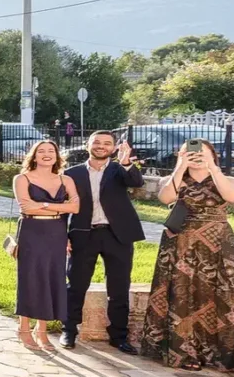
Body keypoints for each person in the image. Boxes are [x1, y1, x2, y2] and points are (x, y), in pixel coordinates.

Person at [141, 141, 234, 375]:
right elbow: (165, 198)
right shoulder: (176, 179)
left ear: (213, 155)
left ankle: (228, 353)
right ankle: (185, 351)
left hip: (219, 243)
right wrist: (180, 167)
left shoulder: (228, 179)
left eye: (203, 153)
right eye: (190, 152)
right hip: (182, 242)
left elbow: (231, 197)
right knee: (184, 294)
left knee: (230, 293)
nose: (197, 156)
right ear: (181, 155)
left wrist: (212, 168)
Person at [62, 130, 144, 352]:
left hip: (117, 235)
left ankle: (119, 335)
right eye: (96, 142)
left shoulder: (120, 170)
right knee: (76, 284)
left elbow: (136, 182)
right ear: (87, 145)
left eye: (107, 143)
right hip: (83, 233)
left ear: (114, 148)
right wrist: (62, 236)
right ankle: (69, 330)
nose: (101, 146)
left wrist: (126, 162)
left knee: (119, 286)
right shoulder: (71, 173)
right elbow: (63, 208)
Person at [12, 141, 78, 352]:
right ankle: (23, 327)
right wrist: (59, 208)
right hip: (31, 232)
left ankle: (41, 330)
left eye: (51, 151)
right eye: (41, 151)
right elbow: (26, 206)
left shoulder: (66, 179)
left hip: (57, 234)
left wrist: (44, 205)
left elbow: (75, 207)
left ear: (57, 156)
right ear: (34, 156)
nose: (46, 154)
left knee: (52, 279)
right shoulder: (21, 178)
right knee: (30, 278)